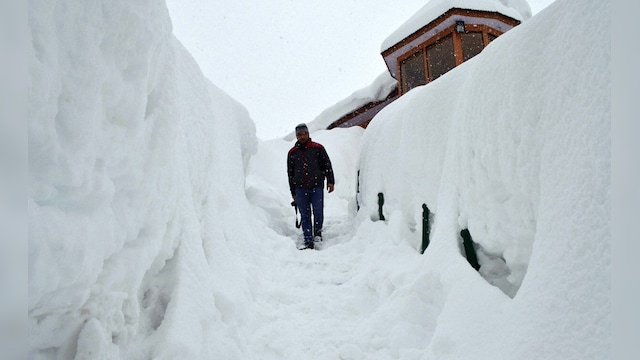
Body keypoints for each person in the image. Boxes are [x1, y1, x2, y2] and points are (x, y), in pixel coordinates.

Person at [287, 123, 335, 249]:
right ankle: (308, 238)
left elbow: (327, 165)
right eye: (299, 135)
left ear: (308, 134)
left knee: (318, 211)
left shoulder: (318, 148)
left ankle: (317, 232)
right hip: (300, 189)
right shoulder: (292, 153)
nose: (302, 137)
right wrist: (293, 192)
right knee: (305, 214)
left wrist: (331, 181)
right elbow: (290, 174)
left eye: (304, 134)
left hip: (316, 187)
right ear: (296, 136)